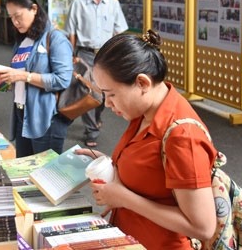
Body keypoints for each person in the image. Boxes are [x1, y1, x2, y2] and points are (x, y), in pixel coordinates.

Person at [76, 31, 218, 249]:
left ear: (142, 83)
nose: (107, 103)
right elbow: (152, 171)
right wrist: (111, 164)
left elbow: (202, 227)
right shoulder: (145, 113)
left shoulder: (183, 137)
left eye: (111, 94)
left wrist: (123, 198)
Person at [0, 0, 73, 158]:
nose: (15, 22)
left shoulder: (55, 38)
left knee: (45, 175)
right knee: (25, 172)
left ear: (34, 9)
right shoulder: (23, 40)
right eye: (11, 17)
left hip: (46, 117)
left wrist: (22, 76)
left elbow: (62, 79)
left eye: (18, 16)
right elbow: (20, 80)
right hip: (21, 114)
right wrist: (3, 84)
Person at [65, 0, 128, 147]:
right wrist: (71, 54)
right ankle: (92, 131)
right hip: (85, 53)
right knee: (88, 91)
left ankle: (97, 116)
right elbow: (71, 31)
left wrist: (121, 52)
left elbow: (120, 30)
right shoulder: (78, 3)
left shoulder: (112, 3)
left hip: (107, 54)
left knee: (102, 94)